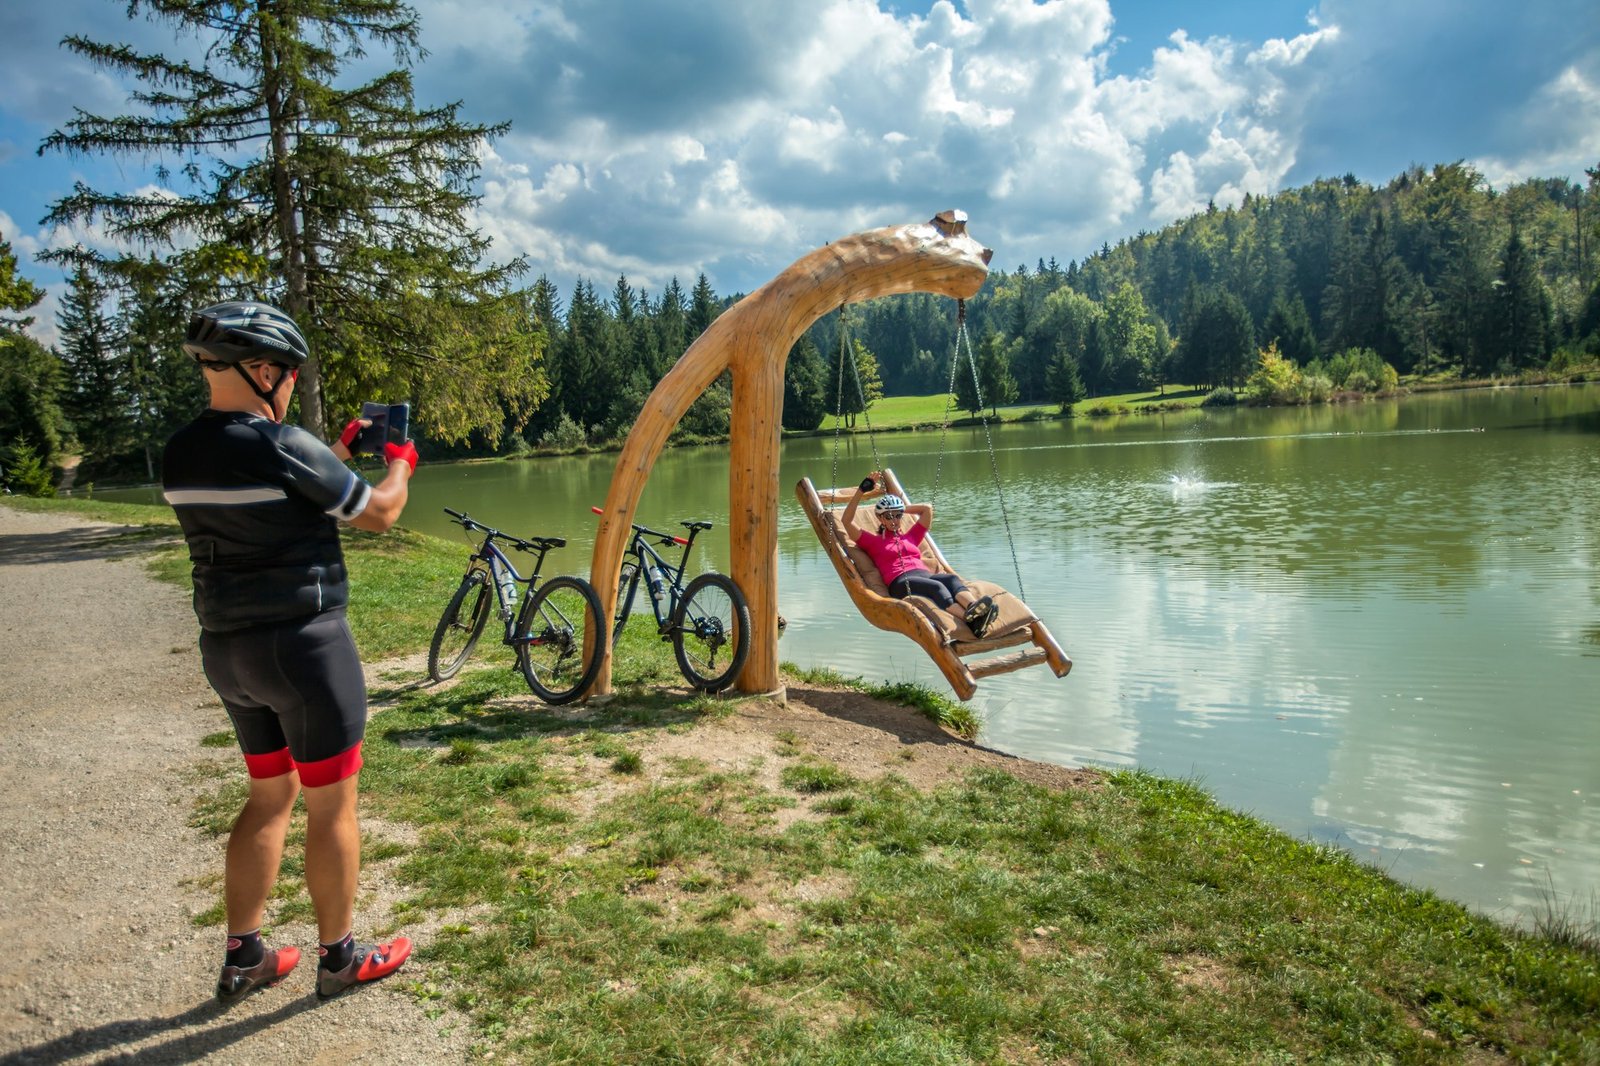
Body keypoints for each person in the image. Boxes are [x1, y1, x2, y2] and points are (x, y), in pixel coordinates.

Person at [162, 301, 418, 1001]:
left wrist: (331, 454)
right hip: (304, 650)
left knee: (267, 796)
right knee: (331, 805)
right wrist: (399, 464)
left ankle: (244, 957)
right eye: (288, 371)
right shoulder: (280, 443)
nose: (288, 382)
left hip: (229, 651)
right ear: (264, 368)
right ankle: (338, 959)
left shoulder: (183, 450)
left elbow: (270, 496)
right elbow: (383, 513)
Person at [842, 471, 996, 637]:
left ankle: (977, 608)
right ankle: (969, 619)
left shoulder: (911, 536)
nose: (894, 519)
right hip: (900, 582)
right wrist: (861, 490)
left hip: (924, 575)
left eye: (897, 515)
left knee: (949, 579)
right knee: (937, 587)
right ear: (880, 519)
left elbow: (927, 509)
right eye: (888, 516)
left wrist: (900, 507)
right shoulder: (873, 542)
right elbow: (846, 521)